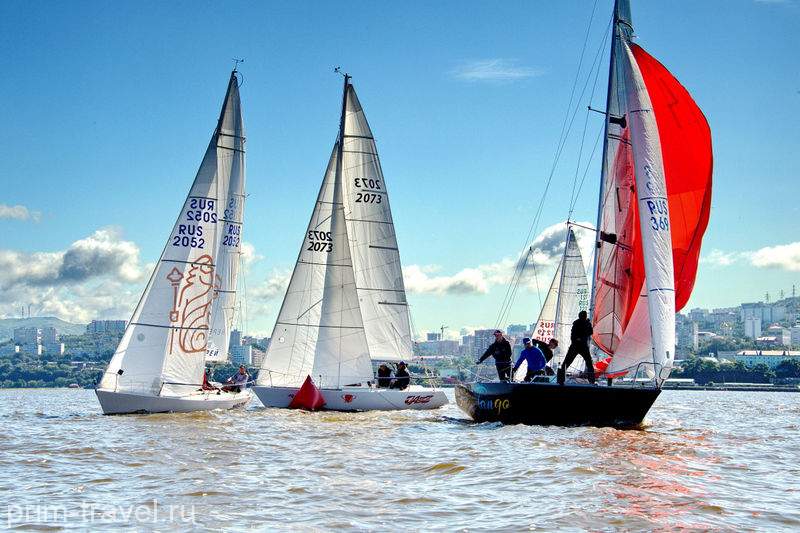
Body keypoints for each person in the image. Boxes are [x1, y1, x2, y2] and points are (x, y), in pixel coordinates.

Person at [558, 311, 595, 385]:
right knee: (568, 361)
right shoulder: (579, 323)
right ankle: (591, 380)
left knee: (588, 362)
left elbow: (590, 332)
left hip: (580, 346)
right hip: (578, 345)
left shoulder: (583, 323)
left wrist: (588, 325)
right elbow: (575, 335)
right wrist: (580, 337)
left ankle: (560, 379)